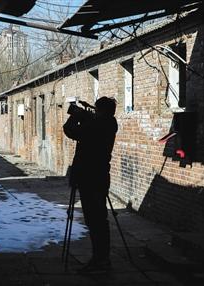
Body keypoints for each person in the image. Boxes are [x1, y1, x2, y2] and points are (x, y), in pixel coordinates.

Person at [63, 96, 118, 274]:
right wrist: (86, 116)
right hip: (99, 177)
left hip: (90, 177)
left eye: (96, 110)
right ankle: (101, 259)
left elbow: (70, 130)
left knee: (96, 221)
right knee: (98, 220)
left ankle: (101, 260)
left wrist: (77, 115)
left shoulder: (98, 125)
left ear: (101, 111)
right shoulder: (108, 123)